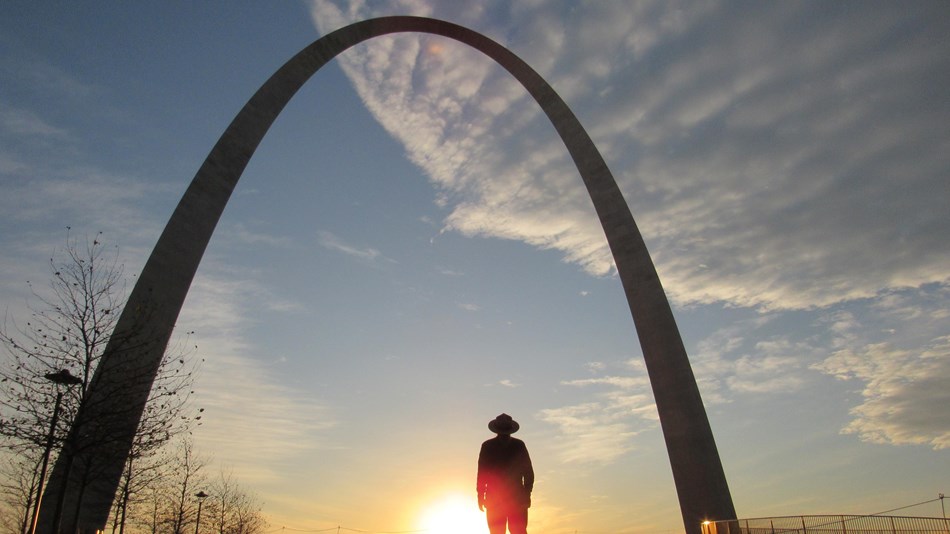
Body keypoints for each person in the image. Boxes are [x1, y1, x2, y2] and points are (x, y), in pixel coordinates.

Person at [477, 413, 534, 534]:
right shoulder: (516, 445)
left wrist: (527, 494)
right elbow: (528, 472)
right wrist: (480, 495)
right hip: (502, 498)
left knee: (514, 531)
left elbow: (528, 471)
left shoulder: (516, 446)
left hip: (509, 498)